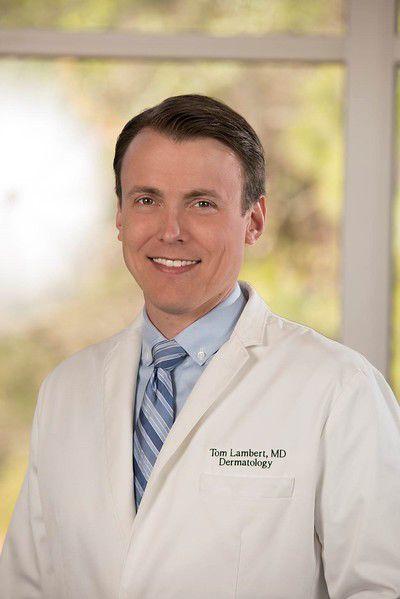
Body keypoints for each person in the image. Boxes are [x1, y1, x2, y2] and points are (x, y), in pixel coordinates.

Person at [0, 94, 399, 599]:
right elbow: (25, 585)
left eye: (202, 203)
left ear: (254, 220)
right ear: (120, 216)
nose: (170, 232)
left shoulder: (340, 389)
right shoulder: (65, 391)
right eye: (147, 200)